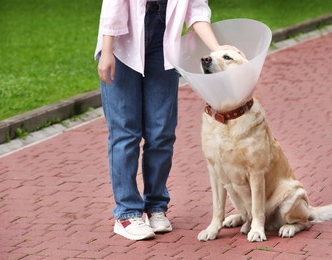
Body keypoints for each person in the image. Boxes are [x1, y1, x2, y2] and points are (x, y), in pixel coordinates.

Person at [95, 0, 242, 241]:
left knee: (162, 132)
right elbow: (114, 4)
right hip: (121, 43)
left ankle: (155, 205)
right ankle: (127, 212)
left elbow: (196, 9)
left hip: (162, 46)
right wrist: (107, 51)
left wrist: (217, 48)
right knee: (126, 132)